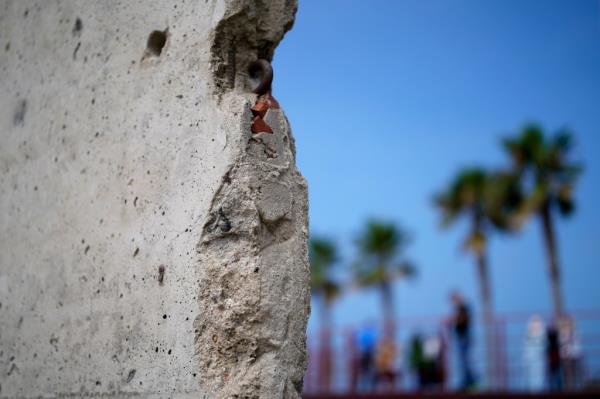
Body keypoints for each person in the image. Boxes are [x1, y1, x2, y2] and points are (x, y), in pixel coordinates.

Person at [449, 291, 476, 390]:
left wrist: (454, 320)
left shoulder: (463, 307)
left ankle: (469, 381)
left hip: (463, 337)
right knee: (463, 360)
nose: (452, 302)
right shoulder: (461, 308)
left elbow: (465, 319)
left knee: (464, 360)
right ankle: (467, 380)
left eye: (453, 299)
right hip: (462, 336)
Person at [523, 315, 546, 392]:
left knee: (539, 381)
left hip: (539, 363)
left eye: (537, 323)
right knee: (529, 381)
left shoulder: (542, 335)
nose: (535, 325)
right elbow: (525, 351)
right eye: (534, 323)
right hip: (529, 363)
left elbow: (543, 348)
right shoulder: (527, 335)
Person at [558, 315, 582, 390]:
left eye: (568, 324)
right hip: (565, 358)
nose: (567, 326)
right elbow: (561, 345)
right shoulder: (561, 334)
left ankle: (575, 389)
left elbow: (577, 346)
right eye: (565, 324)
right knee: (566, 376)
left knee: (575, 376)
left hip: (574, 357)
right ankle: (567, 389)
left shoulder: (575, 333)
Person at [546, 324, 562, 391]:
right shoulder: (554, 338)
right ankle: (555, 388)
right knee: (554, 375)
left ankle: (554, 388)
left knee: (555, 375)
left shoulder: (552, 338)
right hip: (553, 358)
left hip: (554, 358)